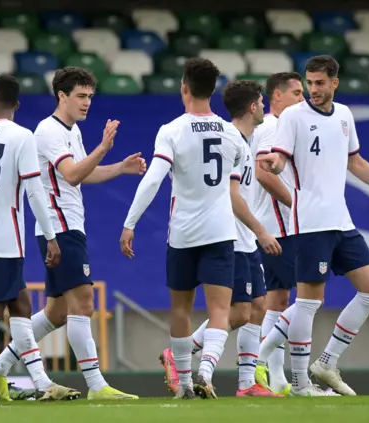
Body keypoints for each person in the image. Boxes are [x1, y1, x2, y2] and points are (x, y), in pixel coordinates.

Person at [257, 55, 369, 396]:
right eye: (309, 83)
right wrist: (274, 162)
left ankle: (326, 362)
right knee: (309, 302)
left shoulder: (344, 115)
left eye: (319, 83)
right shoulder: (293, 117)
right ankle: (297, 381)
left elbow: (355, 162)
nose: (313, 90)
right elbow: (281, 157)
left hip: (341, 220)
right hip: (311, 223)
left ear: (334, 83)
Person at [0, 67, 143, 400]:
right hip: (59, 227)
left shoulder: (71, 131)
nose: (87, 103)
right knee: (83, 302)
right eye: (81, 96)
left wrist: (120, 167)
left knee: (57, 311)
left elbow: (83, 174)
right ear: (62, 96)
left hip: (67, 226)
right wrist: (103, 148)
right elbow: (71, 174)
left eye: (90, 97)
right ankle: (97, 386)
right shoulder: (48, 130)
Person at [119, 58, 248, 399]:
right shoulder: (231, 132)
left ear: (185, 88)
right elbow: (239, 175)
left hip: (184, 234)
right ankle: (206, 370)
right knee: (220, 310)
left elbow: (153, 180)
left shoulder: (172, 130)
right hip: (221, 231)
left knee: (181, 309)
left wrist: (130, 223)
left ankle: (186, 385)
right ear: (213, 90)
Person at [0, 74, 79, 402]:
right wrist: (50, 236)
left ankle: (41, 383)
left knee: (20, 304)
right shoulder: (22, 136)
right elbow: (35, 191)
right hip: (6, 236)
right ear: (17, 104)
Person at [155, 80, 283, 398]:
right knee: (237, 311)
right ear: (252, 106)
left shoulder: (248, 141)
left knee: (258, 307)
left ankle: (246, 382)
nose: (265, 107)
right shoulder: (227, 138)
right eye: (261, 102)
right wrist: (259, 230)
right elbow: (231, 195)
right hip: (233, 237)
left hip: (245, 239)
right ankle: (187, 360)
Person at [251, 72, 304, 395]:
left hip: (277, 224)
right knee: (309, 296)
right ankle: (269, 365)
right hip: (278, 226)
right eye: (297, 93)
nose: (303, 98)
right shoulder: (273, 127)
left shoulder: (278, 127)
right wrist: (298, 205)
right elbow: (263, 174)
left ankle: (276, 377)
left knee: (278, 299)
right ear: (278, 96)